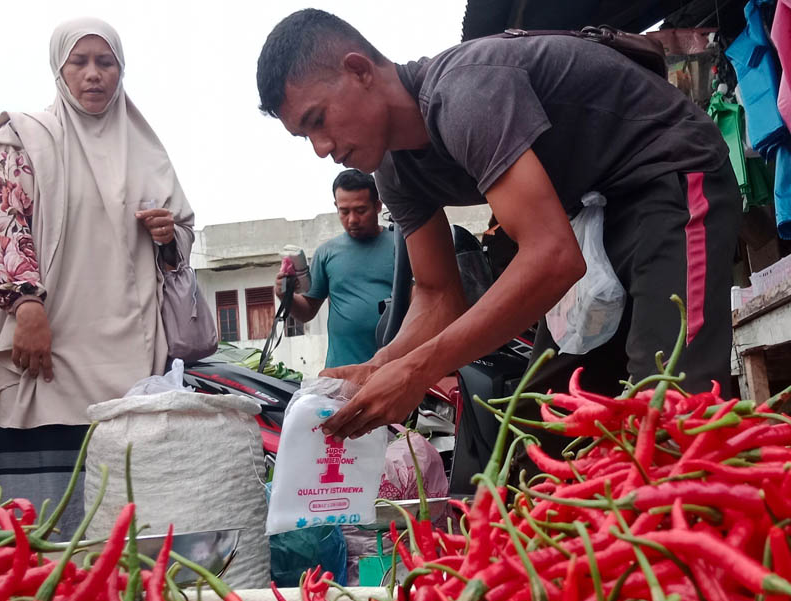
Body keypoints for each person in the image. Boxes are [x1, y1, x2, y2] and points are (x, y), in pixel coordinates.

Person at [256, 10, 740, 441]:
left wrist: (418, 369)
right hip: (592, 217)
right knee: (541, 427)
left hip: (669, 176)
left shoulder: (463, 92)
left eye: (318, 120)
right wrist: (381, 364)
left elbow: (552, 257)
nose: (321, 148)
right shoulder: (393, 170)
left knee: (672, 410)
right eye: (305, 137)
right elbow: (438, 294)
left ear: (359, 70)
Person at [0, 18, 195, 535]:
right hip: (52, 341)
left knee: (130, 519)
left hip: (131, 354)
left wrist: (167, 236)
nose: (94, 74)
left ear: (120, 70)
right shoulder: (25, 137)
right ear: (59, 68)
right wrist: (27, 306)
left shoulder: (147, 151)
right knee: (48, 527)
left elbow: (180, 237)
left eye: (105, 62)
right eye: (80, 62)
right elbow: (8, 223)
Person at [275, 169, 395, 368]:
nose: (352, 219)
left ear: (378, 206)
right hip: (340, 373)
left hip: (394, 371)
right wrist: (284, 295)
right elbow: (307, 311)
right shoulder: (326, 253)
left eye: (361, 210)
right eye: (344, 211)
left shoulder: (402, 246)